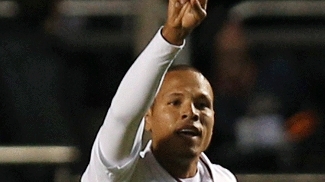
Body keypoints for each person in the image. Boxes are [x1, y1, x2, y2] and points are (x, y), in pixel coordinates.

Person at [81, 0, 237, 181]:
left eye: (202, 105)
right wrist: (171, 36)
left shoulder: (224, 178)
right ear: (147, 117)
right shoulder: (120, 173)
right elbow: (122, 117)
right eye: (175, 102)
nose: (191, 112)